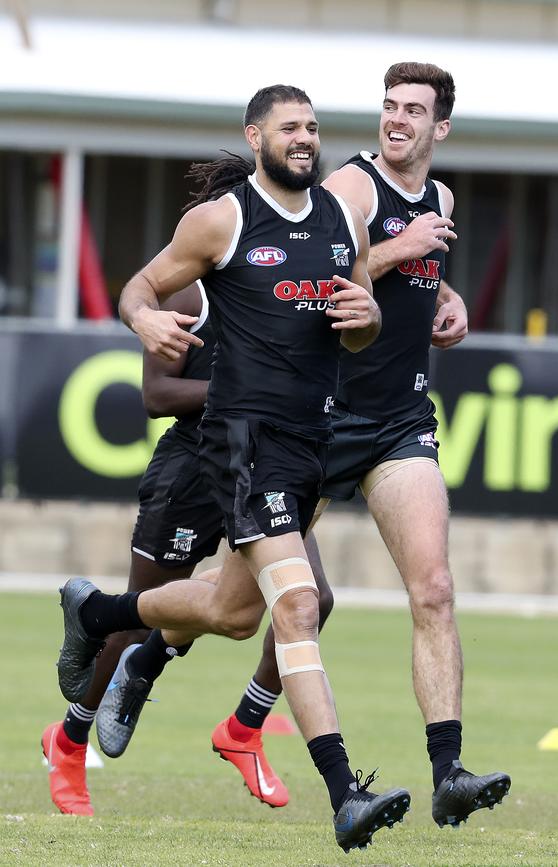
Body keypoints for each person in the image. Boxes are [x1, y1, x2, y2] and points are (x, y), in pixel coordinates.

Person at [54, 84, 412, 852]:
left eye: (314, 127)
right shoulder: (221, 219)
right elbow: (139, 287)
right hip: (243, 443)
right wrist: (144, 315)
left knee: (229, 611)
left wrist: (372, 320)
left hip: (314, 441)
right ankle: (345, 790)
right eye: (290, 127)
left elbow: (353, 331)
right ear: (256, 137)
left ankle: (98, 614)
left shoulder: (343, 218)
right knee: (300, 603)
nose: (305, 139)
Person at [211, 60, 510, 830]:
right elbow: (326, 274)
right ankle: (134, 639)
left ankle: (448, 770)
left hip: (397, 425)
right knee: (234, 610)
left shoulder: (439, 199)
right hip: (317, 419)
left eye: (414, 109)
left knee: (434, 588)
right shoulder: (352, 189)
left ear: (441, 127)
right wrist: (398, 247)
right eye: (389, 106)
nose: (397, 119)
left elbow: (418, 275)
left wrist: (447, 297)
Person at [42, 273, 330, 814]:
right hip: (194, 470)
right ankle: (69, 741)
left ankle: (243, 727)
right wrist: (247, 393)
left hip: (264, 468)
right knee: (130, 620)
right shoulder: (191, 295)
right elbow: (157, 395)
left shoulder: (292, 287)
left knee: (313, 599)